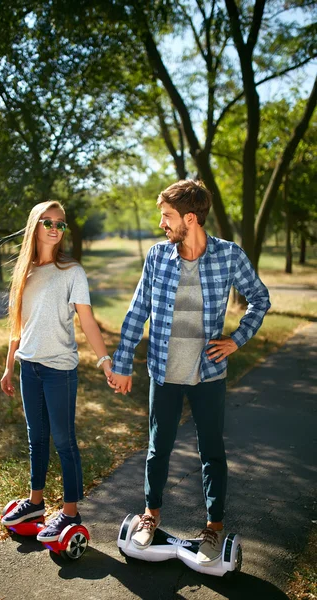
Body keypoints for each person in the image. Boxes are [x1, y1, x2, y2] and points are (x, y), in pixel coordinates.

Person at [108, 179, 271, 564]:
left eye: (167, 216)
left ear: (190, 218)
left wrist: (237, 339)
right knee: (157, 448)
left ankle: (213, 528)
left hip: (208, 374)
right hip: (163, 372)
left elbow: (260, 299)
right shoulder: (157, 256)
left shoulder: (229, 256)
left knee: (211, 451)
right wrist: (122, 361)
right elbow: (137, 311)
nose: (162, 223)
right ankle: (151, 516)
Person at [0, 200, 112, 543]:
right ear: (35, 225)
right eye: (47, 221)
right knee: (36, 439)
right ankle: (35, 503)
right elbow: (17, 326)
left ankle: (69, 512)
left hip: (58, 370)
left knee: (64, 442)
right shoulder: (25, 272)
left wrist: (104, 360)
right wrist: (8, 366)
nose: (53, 227)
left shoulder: (72, 272)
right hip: (28, 368)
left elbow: (88, 321)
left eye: (60, 224)